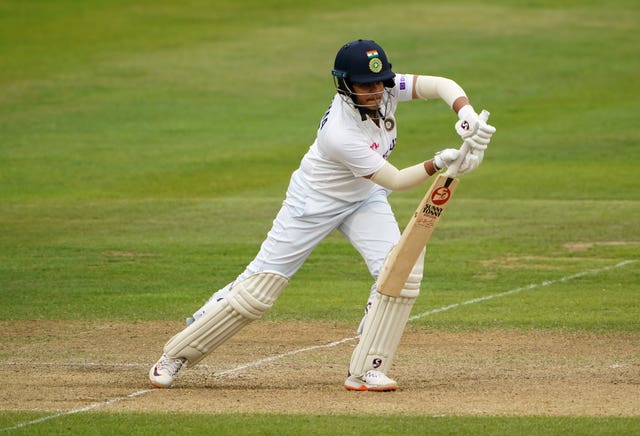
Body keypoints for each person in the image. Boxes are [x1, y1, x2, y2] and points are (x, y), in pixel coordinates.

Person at [149, 39, 495, 391]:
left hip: (364, 199)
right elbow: (397, 179)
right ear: (345, 85)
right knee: (259, 292)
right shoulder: (339, 134)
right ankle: (176, 354)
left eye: (380, 82)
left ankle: (367, 370)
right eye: (365, 85)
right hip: (313, 203)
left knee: (401, 271)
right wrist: (439, 163)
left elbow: (440, 85)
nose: (375, 91)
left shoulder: (386, 90)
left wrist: (464, 112)